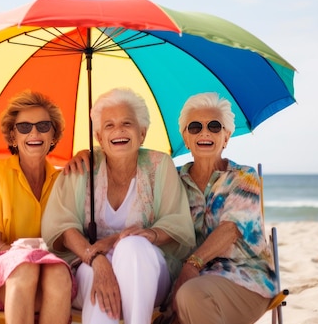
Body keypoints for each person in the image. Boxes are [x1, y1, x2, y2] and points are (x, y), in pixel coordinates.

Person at [42, 87, 195, 324]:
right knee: (95, 277)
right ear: (99, 137)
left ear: (142, 133)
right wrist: (96, 258)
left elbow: (177, 223)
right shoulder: (81, 168)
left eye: (127, 123)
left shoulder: (160, 165)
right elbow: (63, 226)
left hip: (147, 273)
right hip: (88, 266)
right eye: (109, 125)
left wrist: (145, 235)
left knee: (133, 246)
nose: (119, 131)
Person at [0, 90, 75, 324]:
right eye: (24, 127)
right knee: (25, 268)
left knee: (59, 273)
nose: (34, 132)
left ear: (54, 135)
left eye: (43, 126)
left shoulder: (63, 180)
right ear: (13, 136)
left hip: (50, 268)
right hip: (2, 266)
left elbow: (64, 240)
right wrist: (24, 253)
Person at [172, 92, 277, 324]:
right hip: (189, 280)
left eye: (214, 126)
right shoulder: (171, 179)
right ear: (186, 138)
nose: (205, 132)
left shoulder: (243, 177)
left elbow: (229, 230)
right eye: (195, 127)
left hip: (244, 278)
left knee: (190, 294)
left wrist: (192, 265)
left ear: (226, 137)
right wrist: (88, 157)